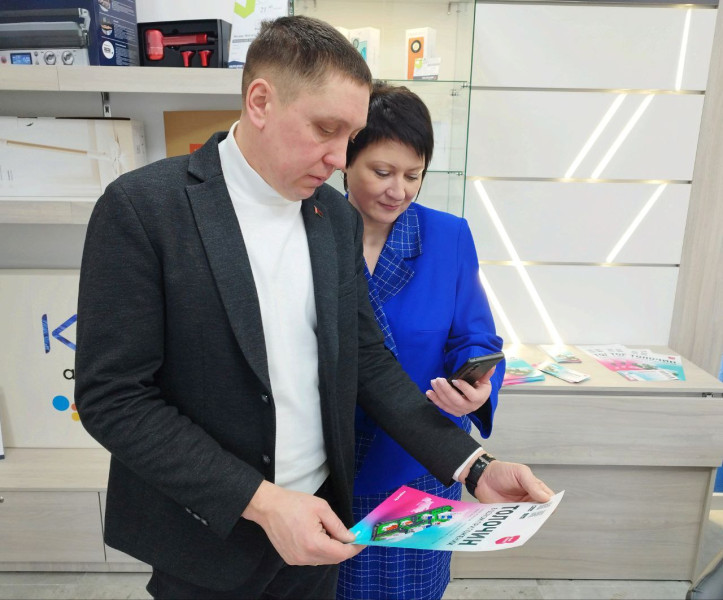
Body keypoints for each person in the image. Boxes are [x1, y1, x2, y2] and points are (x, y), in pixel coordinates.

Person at [74, 15, 553, 600]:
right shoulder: (145, 209)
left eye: (351, 136)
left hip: (322, 527)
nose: (340, 158)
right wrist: (263, 503)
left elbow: (369, 361)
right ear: (260, 101)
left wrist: (474, 467)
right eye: (326, 129)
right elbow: (114, 398)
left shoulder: (333, 218)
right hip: (207, 538)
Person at [336, 83, 506, 600]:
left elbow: (475, 335)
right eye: (382, 172)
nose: (399, 190)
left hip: (422, 461)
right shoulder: (312, 233)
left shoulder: (448, 236)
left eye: (414, 175)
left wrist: (476, 383)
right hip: (333, 461)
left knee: (414, 590)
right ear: (345, 160)